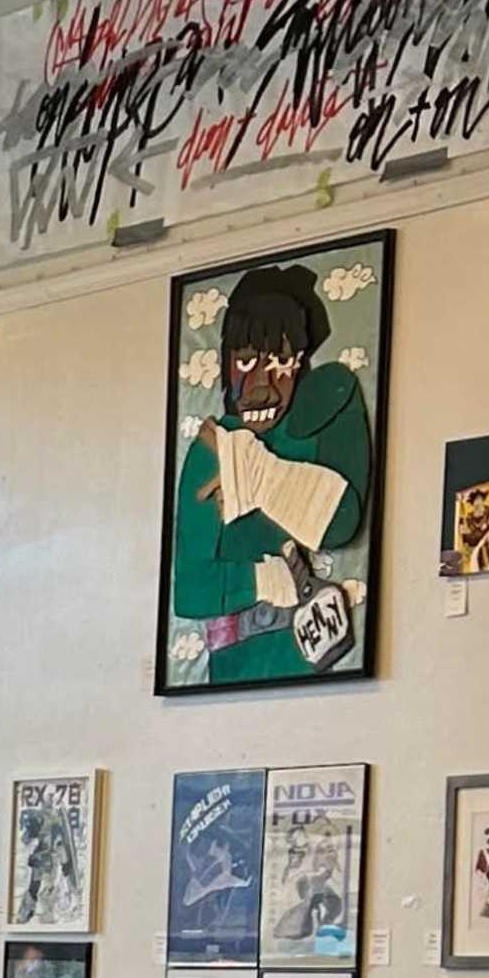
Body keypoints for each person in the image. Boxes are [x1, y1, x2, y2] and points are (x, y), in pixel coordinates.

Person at [169, 257, 377, 682]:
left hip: (318, 657)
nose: (263, 382)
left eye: (280, 362)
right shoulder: (214, 445)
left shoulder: (326, 403)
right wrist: (264, 579)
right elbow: (189, 591)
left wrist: (259, 475)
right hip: (236, 662)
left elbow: (340, 522)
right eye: (245, 362)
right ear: (227, 366)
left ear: (301, 364)